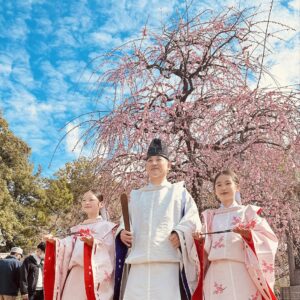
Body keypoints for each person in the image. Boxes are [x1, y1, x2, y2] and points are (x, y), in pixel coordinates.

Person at [114, 138, 203, 300]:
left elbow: (192, 220)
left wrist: (180, 233)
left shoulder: (179, 193)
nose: (153, 163)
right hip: (138, 265)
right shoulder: (136, 195)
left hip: (167, 263)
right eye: (150, 160)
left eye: (158, 160)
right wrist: (122, 233)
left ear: (169, 165)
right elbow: (125, 223)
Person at [193, 169, 278, 300]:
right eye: (219, 185)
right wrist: (199, 241)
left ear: (237, 187)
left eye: (228, 183)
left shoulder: (247, 213)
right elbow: (205, 249)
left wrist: (249, 236)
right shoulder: (210, 216)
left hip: (242, 272)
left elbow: (268, 239)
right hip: (216, 273)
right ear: (214, 190)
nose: (223, 188)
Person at [44, 189, 116, 300]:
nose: (86, 202)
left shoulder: (106, 227)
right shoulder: (78, 228)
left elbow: (110, 251)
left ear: (101, 204)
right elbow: (67, 244)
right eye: (83, 200)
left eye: (91, 199)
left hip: (94, 276)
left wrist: (93, 244)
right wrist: (55, 242)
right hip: (74, 275)